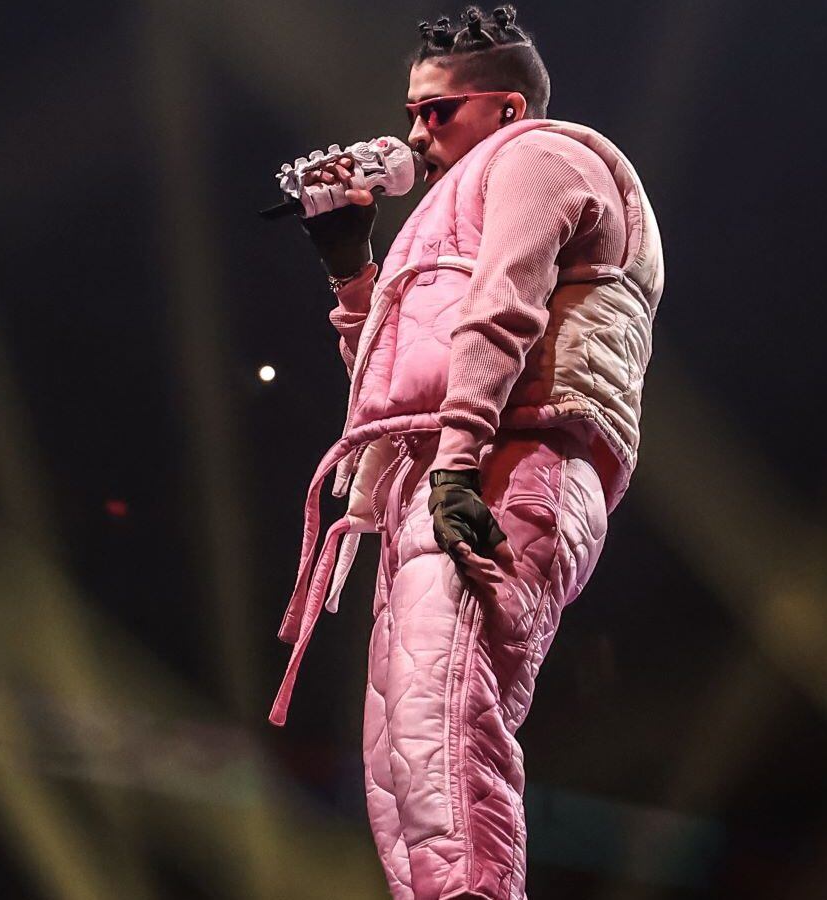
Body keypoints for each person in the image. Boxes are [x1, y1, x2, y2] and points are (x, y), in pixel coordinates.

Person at [267, 6, 665, 898]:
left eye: (437, 110)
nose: (414, 132)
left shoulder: (542, 158)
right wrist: (349, 270)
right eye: (413, 110)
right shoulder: (454, 205)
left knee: (449, 728)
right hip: (446, 471)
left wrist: (453, 469)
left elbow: (503, 312)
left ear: (508, 108)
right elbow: (398, 372)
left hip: (509, 464)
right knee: (406, 759)